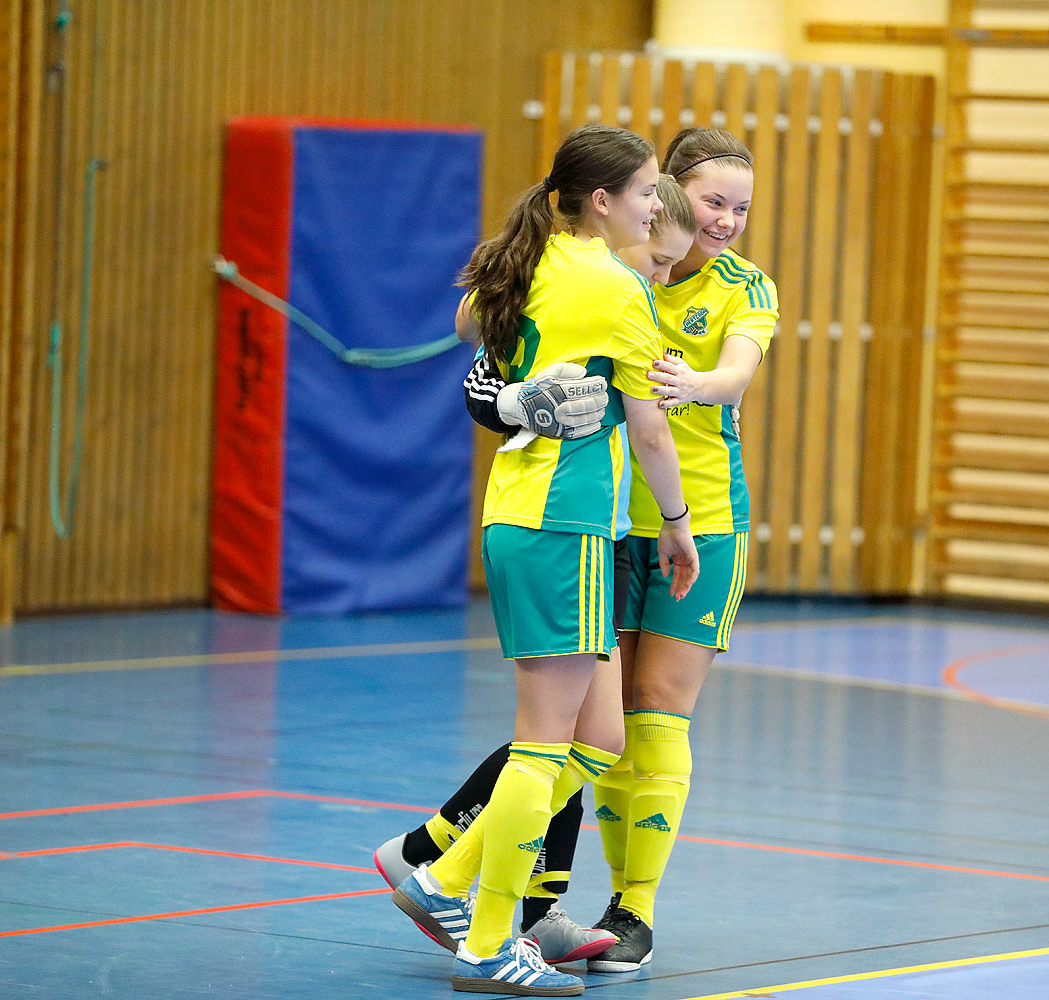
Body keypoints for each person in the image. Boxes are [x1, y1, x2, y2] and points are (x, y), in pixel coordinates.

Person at [387, 125, 699, 997]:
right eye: (644, 190)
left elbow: (466, 325)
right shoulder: (612, 288)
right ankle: (489, 941)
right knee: (543, 743)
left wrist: (511, 383)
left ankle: (445, 880)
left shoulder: (532, 257)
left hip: (531, 517)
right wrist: (675, 523)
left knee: (597, 740)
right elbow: (648, 429)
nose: (654, 203)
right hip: (562, 525)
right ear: (603, 202)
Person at [587, 127, 776, 974]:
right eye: (713, 201)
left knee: (658, 706)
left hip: (704, 522)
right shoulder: (619, 268)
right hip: (603, 519)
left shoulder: (745, 287)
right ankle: (542, 888)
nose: (728, 220)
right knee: (602, 723)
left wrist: (699, 385)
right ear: (666, 192)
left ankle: (634, 911)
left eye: (740, 206)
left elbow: (736, 370)